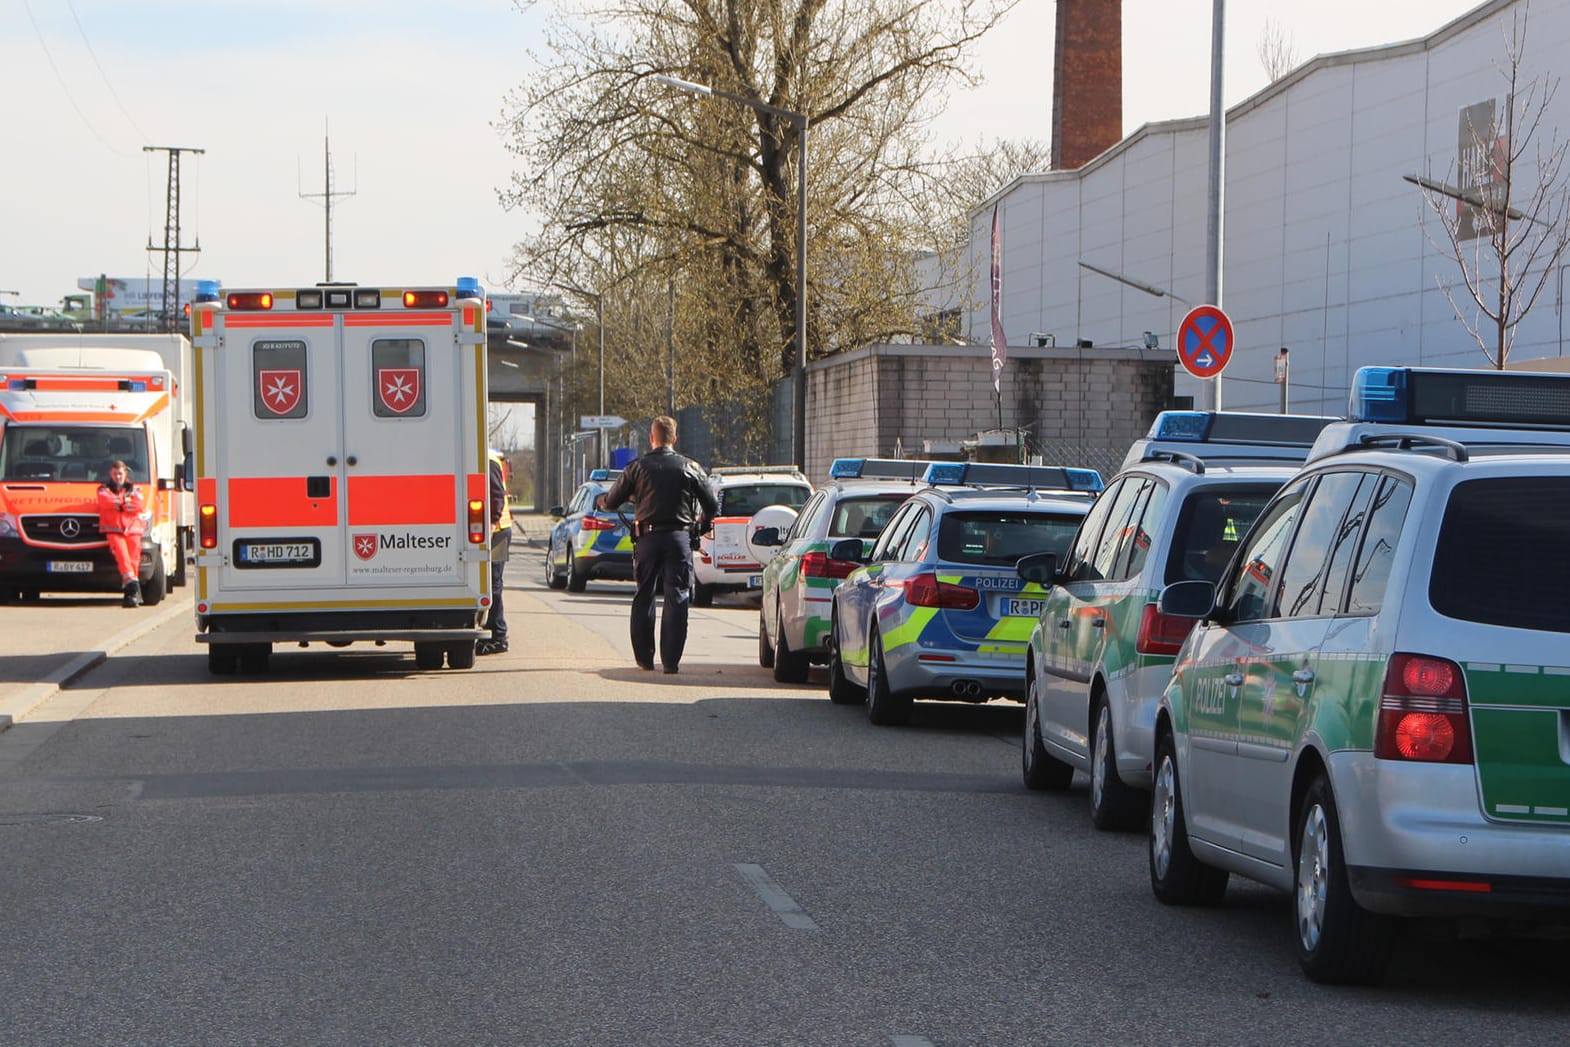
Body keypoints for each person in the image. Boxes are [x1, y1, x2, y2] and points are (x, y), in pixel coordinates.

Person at [596, 416, 718, 674]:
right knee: (677, 596)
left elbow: (612, 502)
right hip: (679, 539)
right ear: (674, 439)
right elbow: (712, 505)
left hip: (647, 539)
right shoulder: (691, 467)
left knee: (644, 594)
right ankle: (671, 662)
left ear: (651, 438)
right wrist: (701, 526)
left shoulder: (637, 468)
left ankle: (644, 658)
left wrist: (603, 501)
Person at [97, 459, 146, 607]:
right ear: (110, 474)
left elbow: (138, 505)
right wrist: (125, 502)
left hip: (133, 530)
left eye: (120, 473)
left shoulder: (135, 489)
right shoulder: (103, 488)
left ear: (125, 473)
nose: (118, 476)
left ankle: (131, 594)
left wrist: (119, 503)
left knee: (133, 561)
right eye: (115, 473)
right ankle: (134, 589)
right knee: (123, 558)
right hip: (114, 530)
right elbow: (105, 501)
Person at [477, 451, 511, 655]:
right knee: (492, 583)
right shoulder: (490, 456)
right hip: (498, 529)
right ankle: (494, 632)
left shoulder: (488, 459)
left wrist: (492, 522)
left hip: (498, 532)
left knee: (494, 583)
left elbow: (496, 494)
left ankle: (499, 637)